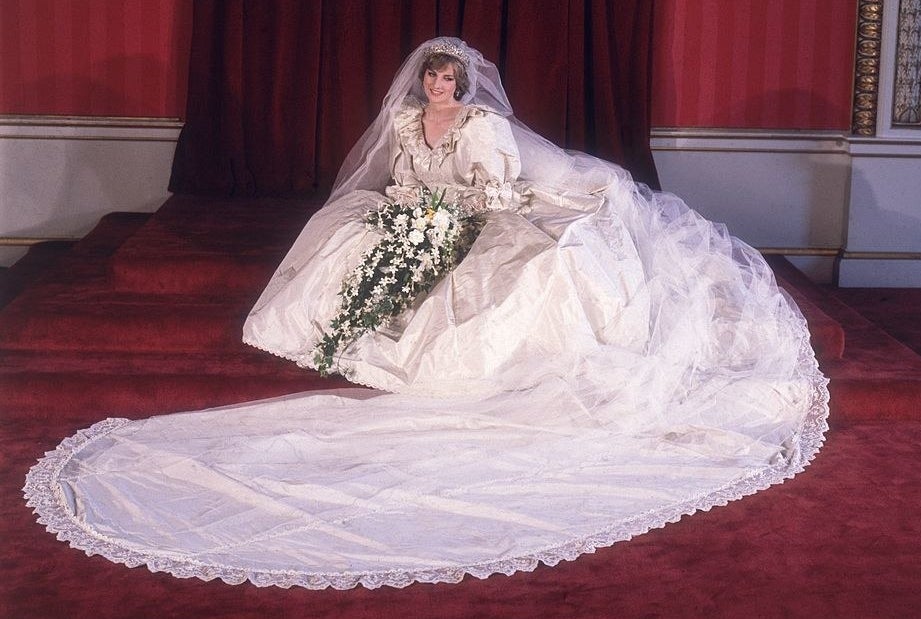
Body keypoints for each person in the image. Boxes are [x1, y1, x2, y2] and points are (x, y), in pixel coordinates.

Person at [24, 38, 829, 590]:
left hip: (484, 208)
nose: (439, 91)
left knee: (511, 265)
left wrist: (451, 214)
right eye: (431, 81)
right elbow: (403, 175)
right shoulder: (409, 124)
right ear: (421, 86)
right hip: (429, 212)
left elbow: (496, 188)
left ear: (463, 86)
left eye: (448, 82)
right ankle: (343, 332)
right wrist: (409, 210)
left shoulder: (483, 127)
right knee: (346, 228)